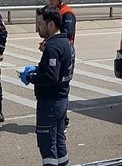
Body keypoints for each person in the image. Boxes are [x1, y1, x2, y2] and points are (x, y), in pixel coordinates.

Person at [20, 4, 74, 166]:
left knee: (47, 143)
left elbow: (51, 77)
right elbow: (58, 69)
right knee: (59, 141)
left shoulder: (53, 48)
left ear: (51, 24)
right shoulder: (66, 43)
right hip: (61, 100)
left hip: (50, 103)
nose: (38, 29)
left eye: (40, 24)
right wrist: (39, 68)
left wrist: (31, 77)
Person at [48, 0, 76, 128]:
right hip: (58, 51)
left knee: (62, 85)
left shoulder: (67, 13)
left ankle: (63, 119)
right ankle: (61, 118)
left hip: (65, 54)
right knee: (56, 85)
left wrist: (52, 41)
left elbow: (67, 34)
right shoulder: (56, 11)